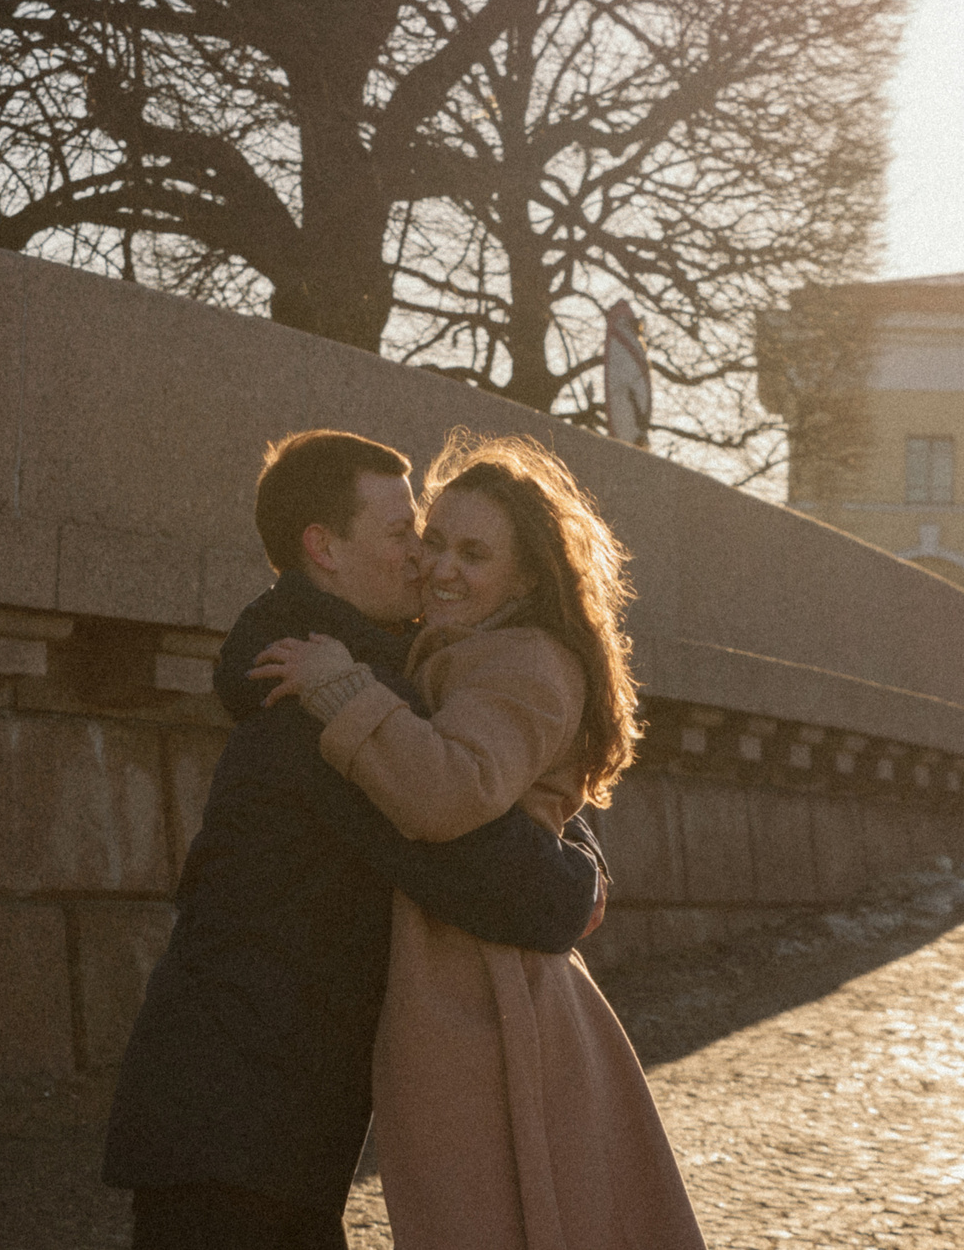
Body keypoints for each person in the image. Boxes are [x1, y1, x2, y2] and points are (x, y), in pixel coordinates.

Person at [104, 430, 608, 1250]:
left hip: (261, 1122)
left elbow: (470, 779)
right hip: (234, 1126)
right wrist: (575, 883)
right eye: (406, 533)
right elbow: (475, 864)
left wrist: (574, 838)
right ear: (325, 548)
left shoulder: (362, 675)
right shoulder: (313, 696)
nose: (423, 559)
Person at [253, 431, 705, 1250]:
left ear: (526, 577)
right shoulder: (470, 647)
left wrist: (341, 690)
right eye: (432, 541)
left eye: (474, 553)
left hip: (487, 993)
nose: (441, 567)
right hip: (472, 974)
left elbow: (449, 791)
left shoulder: (525, 659)